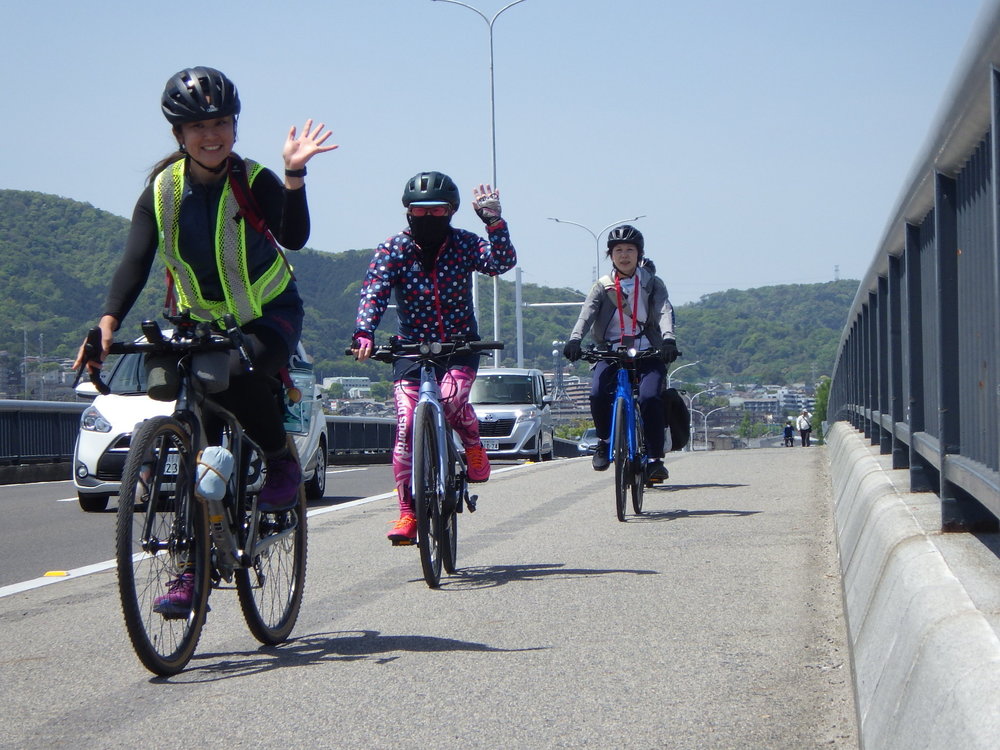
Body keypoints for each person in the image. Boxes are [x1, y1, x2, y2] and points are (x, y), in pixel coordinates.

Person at [73, 66, 336, 613]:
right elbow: (134, 261)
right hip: (197, 321)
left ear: (235, 128)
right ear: (178, 135)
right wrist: (106, 324)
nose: (210, 134)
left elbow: (294, 237)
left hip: (269, 312)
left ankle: (278, 458)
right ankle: (192, 569)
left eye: (220, 122)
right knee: (194, 437)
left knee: (234, 372)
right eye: (197, 126)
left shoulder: (254, 178)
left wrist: (293, 176)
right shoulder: (162, 192)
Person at [351, 171, 517, 543]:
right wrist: (364, 331)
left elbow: (500, 262)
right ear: (407, 211)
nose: (428, 218)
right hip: (410, 347)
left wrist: (494, 223)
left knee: (452, 399)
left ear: (452, 211)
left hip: (459, 346)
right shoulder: (392, 249)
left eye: (437, 210)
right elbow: (374, 291)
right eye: (419, 211)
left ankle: (472, 444)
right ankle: (407, 513)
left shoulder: (463, 244)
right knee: (407, 427)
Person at [562, 225, 678, 483]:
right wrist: (574, 340)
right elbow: (587, 313)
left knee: (650, 397)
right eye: (618, 251)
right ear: (610, 255)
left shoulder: (651, 283)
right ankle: (604, 442)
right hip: (611, 351)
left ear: (639, 254)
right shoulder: (602, 287)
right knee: (597, 392)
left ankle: (655, 460)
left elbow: (663, 310)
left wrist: (668, 339)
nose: (624, 255)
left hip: (648, 349)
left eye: (630, 250)